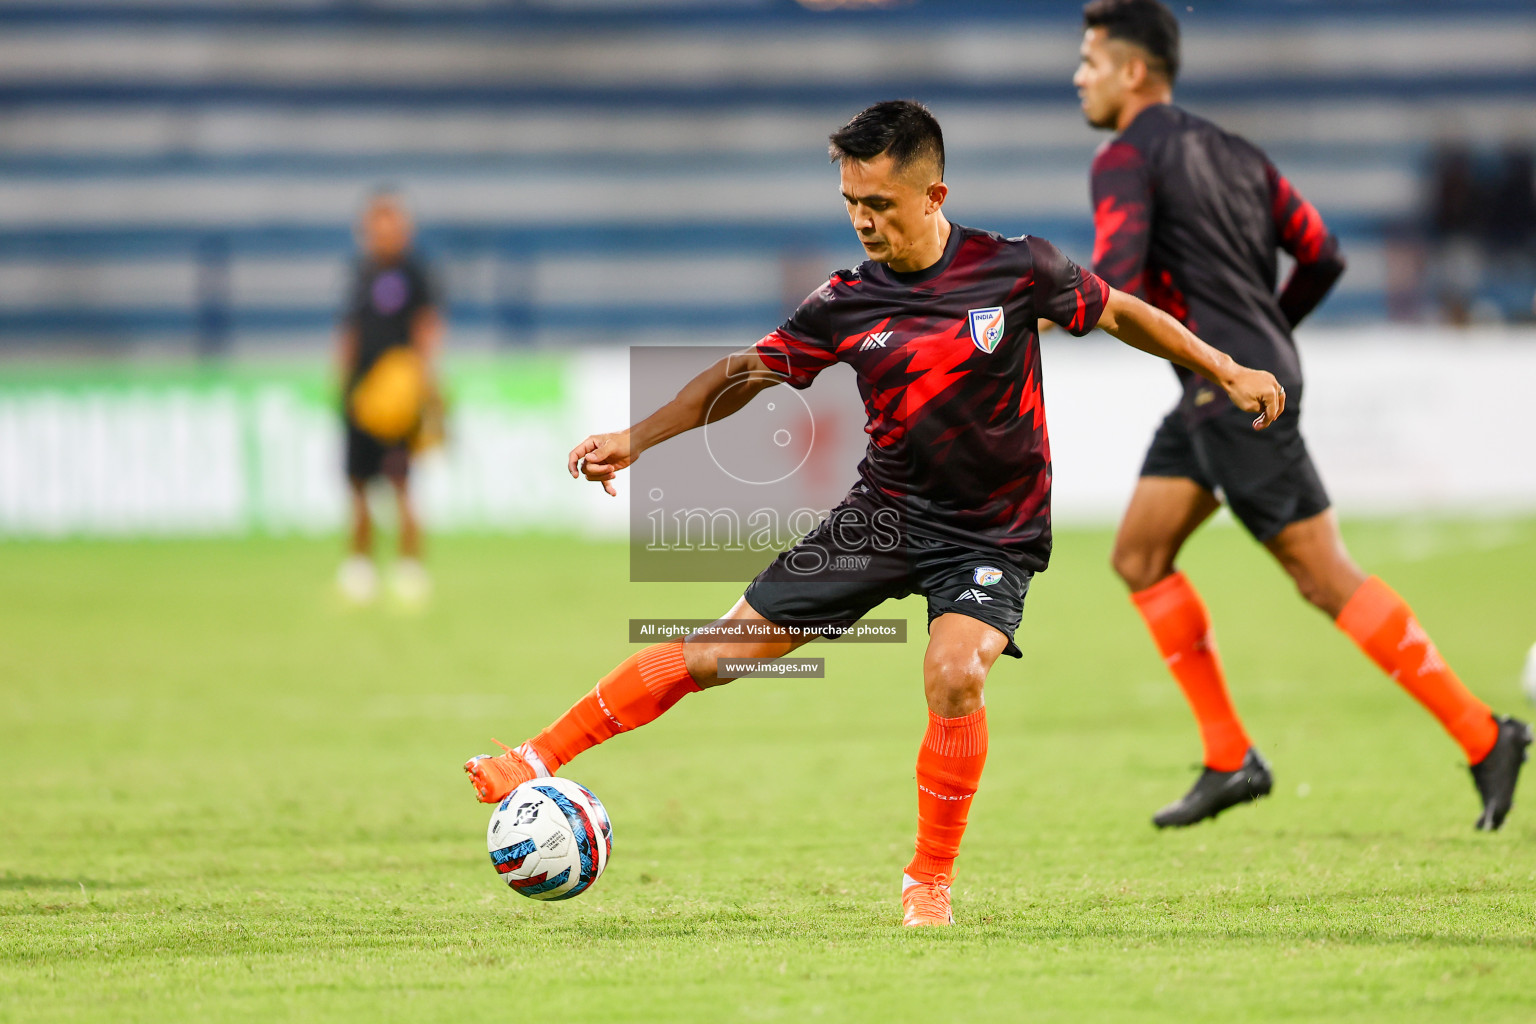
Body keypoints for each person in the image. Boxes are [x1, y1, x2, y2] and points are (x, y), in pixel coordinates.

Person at [464, 100, 1285, 926]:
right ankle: (535, 755)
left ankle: (928, 881)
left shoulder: (1016, 268)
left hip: (990, 532)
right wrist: (637, 440)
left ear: (934, 197)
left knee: (956, 672)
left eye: (880, 205)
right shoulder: (845, 304)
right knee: (717, 655)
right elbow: (737, 375)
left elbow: (1122, 312)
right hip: (884, 516)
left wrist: (1224, 368)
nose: (862, 221)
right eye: (852, 203)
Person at [1071, 0, 1530, 830]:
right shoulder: (1241, 153)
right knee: (1139, 553)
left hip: (1227, 390)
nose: (1079, 77)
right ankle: (1228, 757)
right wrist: (1268, 338)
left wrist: (1039, 300)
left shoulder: (1123, 158)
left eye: (1090, 62)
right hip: (1227, 383)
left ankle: (1483, 733)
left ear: (1134, 71)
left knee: (1323, 574)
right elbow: (1322, 252)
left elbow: (1115, 282)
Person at [334, 190, 442, 606]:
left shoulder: (415, 274)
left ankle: (410, 568)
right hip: (360, 397)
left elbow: (427, 328)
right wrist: (341, 384)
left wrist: (425, 384)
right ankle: (359, 568)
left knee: (402, 483)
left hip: (398, 400)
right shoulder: (358, 273)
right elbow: (349, 332)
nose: (382, 234)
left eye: (391, 225)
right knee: (357, 485)